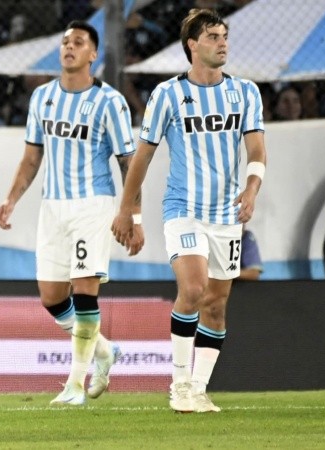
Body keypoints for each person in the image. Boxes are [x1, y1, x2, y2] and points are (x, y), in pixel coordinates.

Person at [113, 8, 267, 413]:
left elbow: (255, 149)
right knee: (194, 289)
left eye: (224, 36)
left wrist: (252, 188)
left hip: (226, 215)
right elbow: (142, 157)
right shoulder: (166, 94)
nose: (223, 43)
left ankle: (198, 389)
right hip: (183, 208)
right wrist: (127, 210)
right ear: (192, 45)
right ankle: (179, 385)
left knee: (216, 305)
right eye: (213, 36)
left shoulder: (246, 92)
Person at [0, 20, 141, 406]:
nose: (69, 47)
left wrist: (133, 216)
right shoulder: (42, 97)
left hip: (92, 205)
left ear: (93, 54)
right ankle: (105, 350)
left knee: (85, 291)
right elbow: (31, 156)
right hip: (52, 207)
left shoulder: (110, 101)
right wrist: (11, 199)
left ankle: (75, 385)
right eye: (64, 42)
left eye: (78, 42)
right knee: (52, 297)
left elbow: (129, 162)